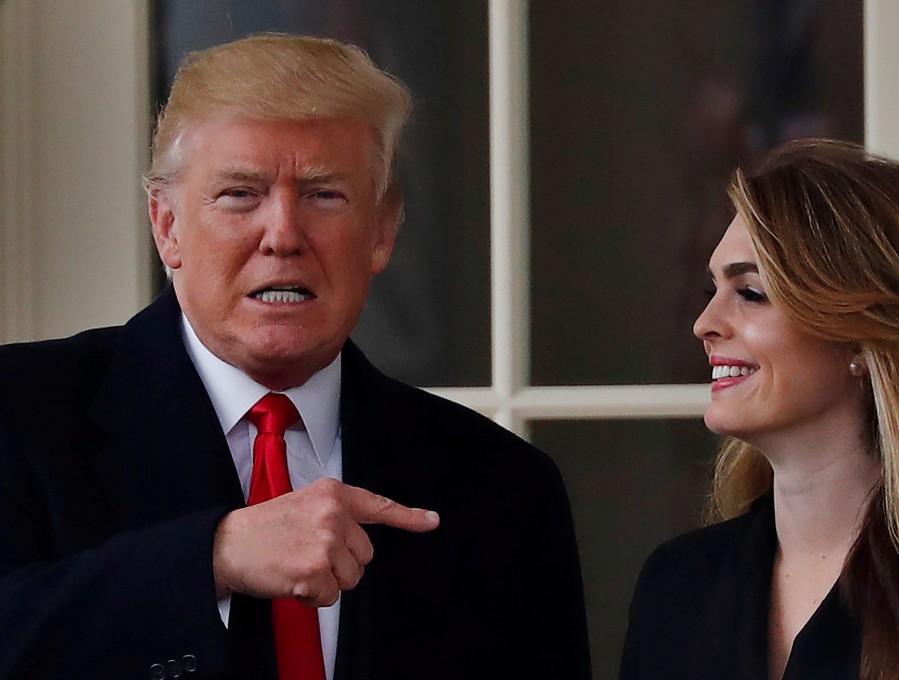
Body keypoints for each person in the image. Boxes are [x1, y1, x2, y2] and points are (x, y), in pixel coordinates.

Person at [0, 34, 591, 680]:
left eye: (323, 195)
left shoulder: (502, 489)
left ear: (383, 231)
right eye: (240, 194)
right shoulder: (20, 415)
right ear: (166, 225)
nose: (282, 234)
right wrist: (211, 559)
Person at [620, 138, 899, 680]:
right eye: (713, 288)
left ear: (863, 339)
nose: (705, 323)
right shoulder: (678, 586)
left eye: (751, 293)